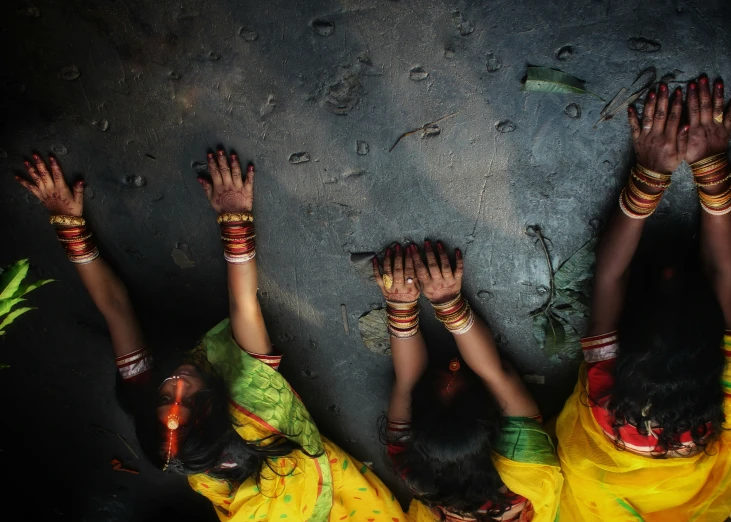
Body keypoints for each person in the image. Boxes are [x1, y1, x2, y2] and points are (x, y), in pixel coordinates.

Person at [15, 148, 408, 521]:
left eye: (166, 397)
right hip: (280, 483)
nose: (178, 383)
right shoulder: (252, 399)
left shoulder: (143, 385)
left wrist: (67, 221)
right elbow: (243, 306)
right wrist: (236, 217)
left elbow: (114, 306)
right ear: (215, 405)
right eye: (192, 398)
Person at [555, 76, 731, 521]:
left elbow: (610, 275)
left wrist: (649, 177)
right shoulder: (726, 380)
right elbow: (723, 271)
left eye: (662, 281)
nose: (673, 268)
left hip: (604, 478)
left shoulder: (604, 395)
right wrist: (711, 165)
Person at [371, 242, 562, 522]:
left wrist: (400, 305)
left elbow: (407, 380)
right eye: (465, 380)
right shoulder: (525, 462)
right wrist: (448, 301)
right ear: (492, 420)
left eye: (437, 376)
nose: (454, 364)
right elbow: (496, 374)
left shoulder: (409, 463)